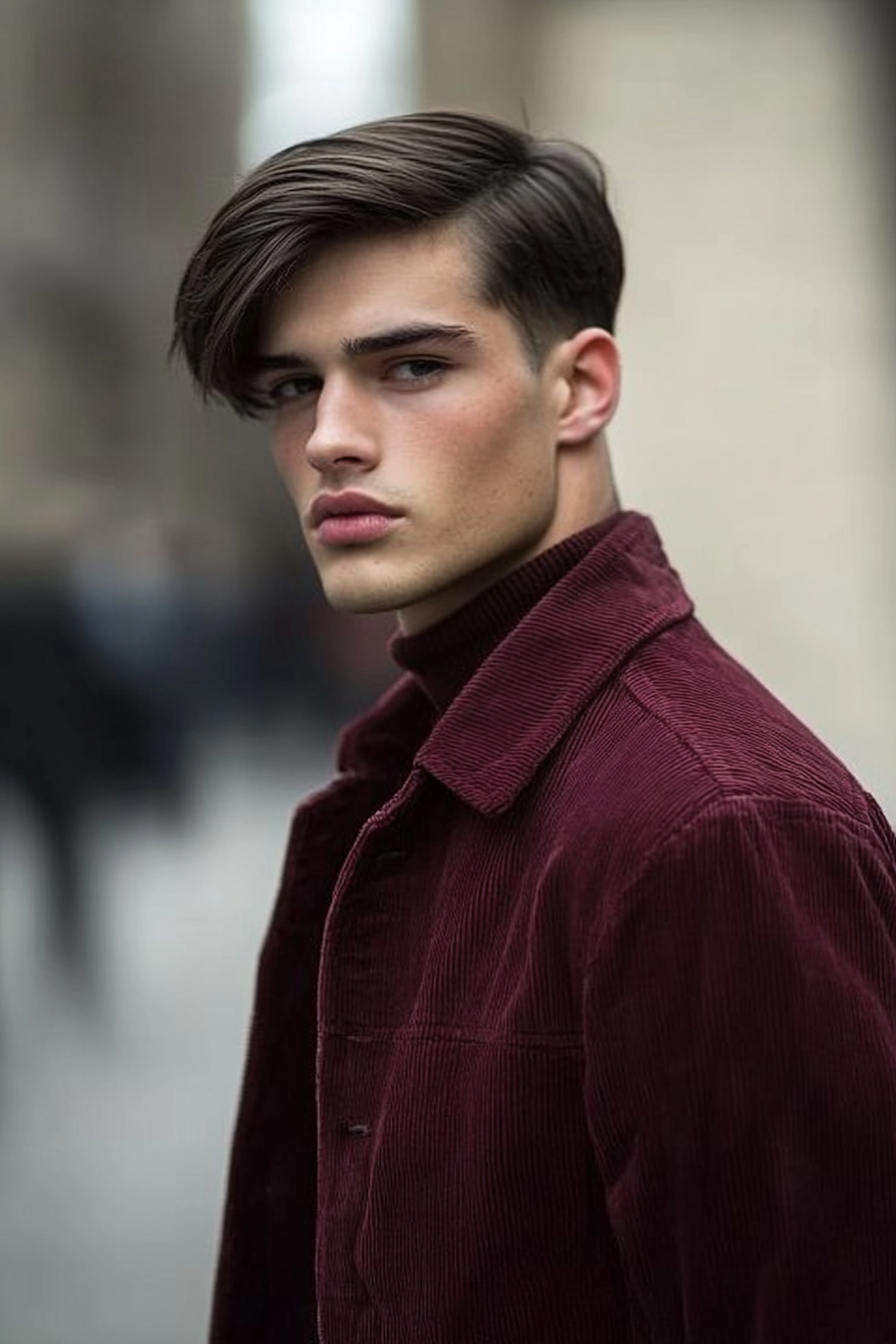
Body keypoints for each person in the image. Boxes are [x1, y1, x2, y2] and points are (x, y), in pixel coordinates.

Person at [171, 110, 896, 1344]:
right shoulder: (416, 774)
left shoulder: (709, 832)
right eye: (291, 387)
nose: (329, 440)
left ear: (579, 387)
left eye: (409, 367)